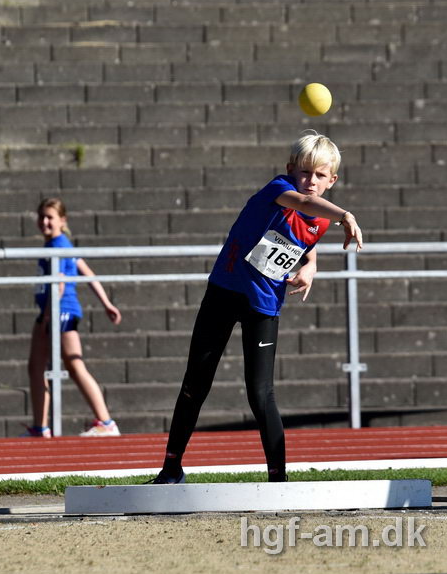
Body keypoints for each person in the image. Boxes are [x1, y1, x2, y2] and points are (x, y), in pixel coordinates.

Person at [151, 130, 362, 484]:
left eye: (320, 176)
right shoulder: (278, 189)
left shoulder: (321, 217)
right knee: (195, 384)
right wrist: (346, 215)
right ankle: (171, 468)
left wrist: (310, 266)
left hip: (264, 303)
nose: (310, 181)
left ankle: (278, 481)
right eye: (304, 172)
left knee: (261, 393)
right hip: (225, 291)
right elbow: (303, 205)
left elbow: (306, 235)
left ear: (332, 180)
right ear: (290, 170)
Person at [24, 198, 123, 438]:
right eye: (42, 217)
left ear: (62, 221)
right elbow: (87, 273)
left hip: (60, 311)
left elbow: (59, 283)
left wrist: (49, 315)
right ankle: (41, 427)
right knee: (36, 367)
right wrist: (107, 304)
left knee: (74, 365)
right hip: (51, 311)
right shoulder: (60, 245)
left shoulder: (58, 246)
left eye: (50, 217)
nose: (45, 222)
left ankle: (106, 422)